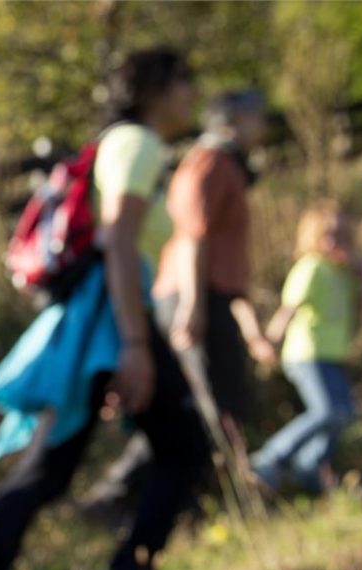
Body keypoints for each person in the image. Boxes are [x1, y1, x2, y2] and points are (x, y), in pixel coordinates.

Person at [0, 47, 211, 570]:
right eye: (184, 80)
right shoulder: (139, 143)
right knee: (182, 448)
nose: (192, 94)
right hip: (112, 322)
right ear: (154, 87)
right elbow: (119, 242)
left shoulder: (121, 144)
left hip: (102, 319)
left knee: (49, 469)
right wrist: (135, 344)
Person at [81, 89, 275, 521]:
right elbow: (192, 233)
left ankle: (169, 496)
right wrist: (193, 304)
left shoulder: (226, 165)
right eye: (256, 118)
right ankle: (139, 496)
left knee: (205, 401)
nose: (263, 127)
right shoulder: (212, 162)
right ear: (232, 121)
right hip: (193, 293)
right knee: (210, 402)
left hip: (206, 293)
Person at [251, 200, 362, 494]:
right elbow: (288, 308)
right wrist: (270, 341)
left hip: (334, 353)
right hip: (307, 354)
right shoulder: (310, 267)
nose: (333, 241)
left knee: (344, 412)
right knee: (326, 410)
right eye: (326, 234)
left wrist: (360, 267)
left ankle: (309, 471)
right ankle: (270, 456)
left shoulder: (342, 272)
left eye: (339, 234)